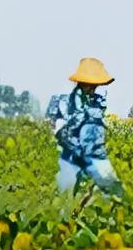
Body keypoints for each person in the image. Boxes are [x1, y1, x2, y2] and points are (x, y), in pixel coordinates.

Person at [44, 57, 120, 196]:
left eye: (95, 85)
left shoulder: (98, 102)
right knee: (65, 198)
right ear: (81, 82)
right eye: (89, 84)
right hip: (69, 156)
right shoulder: (61, 102)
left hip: (96, 155)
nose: (92, 88)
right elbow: (51, 126)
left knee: (115, 193)